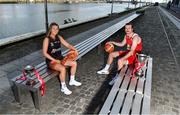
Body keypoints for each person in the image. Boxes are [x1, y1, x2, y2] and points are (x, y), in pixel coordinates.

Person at [43, 22, 81, 95]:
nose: (55, 30)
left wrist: (75, 49)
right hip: (51, 61)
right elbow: (44, 53)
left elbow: (67, 45)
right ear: (50, 29)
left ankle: (72, 80)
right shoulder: (47, 39)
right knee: (62, 69)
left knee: (74, 63)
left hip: (60, 58)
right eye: (53, 28)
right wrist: (54, 60)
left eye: (57, 29)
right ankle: (63, 87)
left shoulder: (59, 37)